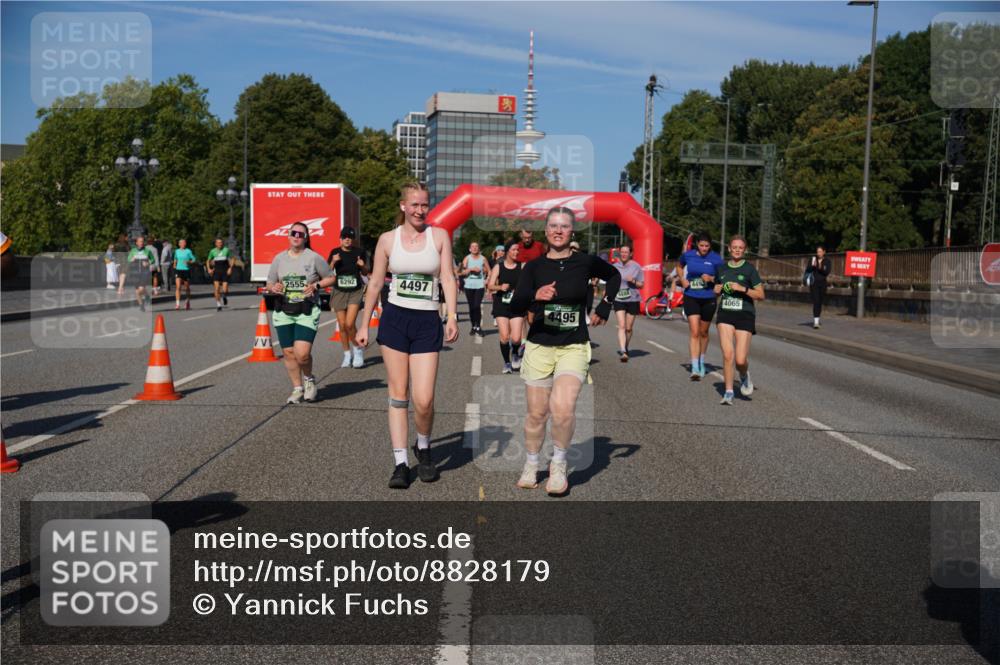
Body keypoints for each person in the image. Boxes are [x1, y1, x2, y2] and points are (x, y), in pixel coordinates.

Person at [508, 207, 621, 496]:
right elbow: (516, 305)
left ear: (572, 232)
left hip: (573, 345)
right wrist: (535, 295)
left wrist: (605, 305)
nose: (559, 231)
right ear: (546, 231)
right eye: (554, 226)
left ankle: (558, 465)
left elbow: (614, 275)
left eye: (565, 226)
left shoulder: (584, 262)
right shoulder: (533, 267)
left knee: (563, 409)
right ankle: (532, 464)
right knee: (536, 414)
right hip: (540, 346)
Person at [356, 182, 459, 490]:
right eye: (414, 204)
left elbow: (447, 278)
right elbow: (375, 284)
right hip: (395, 320)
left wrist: (451, 315)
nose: (420, 210)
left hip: (427, 321)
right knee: (399, 395)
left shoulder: (439, 236)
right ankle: (401, 462)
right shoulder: (387, 240)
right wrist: (364, 324)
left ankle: (423, 447)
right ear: (403, 206)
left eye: (425, 205)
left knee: (424, 399)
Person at [266, 221, 336, 404]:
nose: (297, 237)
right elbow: (269, 283)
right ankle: (297, 388)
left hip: (307, 310)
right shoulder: (279, 259)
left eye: (301, 234)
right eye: (293, 233)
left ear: (305, 238)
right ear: (288, 236)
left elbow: (331, 278)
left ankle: (309, 379)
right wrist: (275, 287)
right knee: (289, 352)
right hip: (284, 310)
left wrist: (316, 285)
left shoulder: (313, 258)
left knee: (302, 353)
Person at [714, 235, 765, 405]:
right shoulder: (721, 269)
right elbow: (715, 288)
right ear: (729, 249)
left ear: (745, 250)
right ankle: (729, 392)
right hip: (725, 314)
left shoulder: (750, 270)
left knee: (740, 359)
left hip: (745, 314)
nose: (737, 250)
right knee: (728, 354)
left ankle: (743, 375)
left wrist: (742, 288)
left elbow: (761, 295)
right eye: (734, 247)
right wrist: (718, 289)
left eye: (740, 247)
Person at [679, 233, 724, 380]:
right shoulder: (688, 255)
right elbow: (679, 267)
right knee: (694, 331)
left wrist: (711, 278)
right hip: (691, 296)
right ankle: (695, 367)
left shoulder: (716, 259)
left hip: (708, 298)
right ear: (697, 244)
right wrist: (682, 280)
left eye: (707, 246)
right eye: (701, 245)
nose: (704, 248)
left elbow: (723, 277)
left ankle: (702, 360)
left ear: (710, 246)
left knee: (704, 332)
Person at [328, 227, 369, 368]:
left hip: (355, 291)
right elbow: (327, 272)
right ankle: (347, 354)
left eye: (350, 237)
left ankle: (357, 349)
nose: (347, 239)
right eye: (345, 237)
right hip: (339, 291)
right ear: (340, 238)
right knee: (342, 325)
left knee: (349, 324)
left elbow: (365, 272)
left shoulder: (359, 252)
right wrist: (333, 262)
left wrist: (362, 266)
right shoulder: (335, 252)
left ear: (353, 239)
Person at [487, 241, 525, 373]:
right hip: (501, 304)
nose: (516, 252)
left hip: (517, 305)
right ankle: (507, 363)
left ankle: (515, 353)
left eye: (518, 250)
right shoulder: (499, 267)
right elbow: (490, 285)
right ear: (508, 251)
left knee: (516, 338)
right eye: (514, 250)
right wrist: (500, 287)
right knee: (504, 336)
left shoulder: (522, 266)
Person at [613, 245, 644, 361]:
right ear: (619, 253)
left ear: (630, 254)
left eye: (626, 252)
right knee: (621, 325)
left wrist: (634, 281)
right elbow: (611, 282)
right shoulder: (615, 267)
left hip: (633, 299)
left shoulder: (637, 267)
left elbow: (642, 285)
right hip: (618, 298)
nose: (624, 254)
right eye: (622, 252)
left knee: (629, 328)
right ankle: (623, 351)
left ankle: (625, 346)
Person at [460, 242, 490, 336]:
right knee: (471, 307)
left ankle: (478, 327)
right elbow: (461, 272)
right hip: (468, 285)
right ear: (470, 249)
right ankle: (473, 326)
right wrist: (471, 269)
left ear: (479, 248)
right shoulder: (467, 258)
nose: (475, 248)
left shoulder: (483, 258)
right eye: (472, 246)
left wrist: (487, 280)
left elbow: (490, 270)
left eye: (476, 246)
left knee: (477, 306)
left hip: (480, 285)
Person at [121, 236, 157, 311]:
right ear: (137, 243)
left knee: (141, 288)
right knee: (137, 291)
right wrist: (132, 259)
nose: (141, 243)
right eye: (140, 241)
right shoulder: (133, 251)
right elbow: (128, 260)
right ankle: (141, 304)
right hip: (135, 273)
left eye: (142, 241)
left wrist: (147, 263)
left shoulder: (147, 251)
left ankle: (146, 296)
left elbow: (153, 260)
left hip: (145, 272)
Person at [806, 245, 831, 329]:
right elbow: (808, 269)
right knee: (816, 301)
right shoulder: (813, 259)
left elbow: (826, 272)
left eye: (820, 251)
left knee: (820, 302)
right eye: (817, 252)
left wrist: (820, 268)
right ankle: (816, 322)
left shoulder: (827, 261)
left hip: (823, 283)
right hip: (814, 283)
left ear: (824, 252)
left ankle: (817, 318)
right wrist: (813, 265)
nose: (818, 253)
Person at [206, 238, 233, 311]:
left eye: (221, 242)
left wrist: (230, 268)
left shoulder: (226, 250)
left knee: (225, 289)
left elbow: (231, 259)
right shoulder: (212, 251)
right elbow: (208, 260)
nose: (219, 244)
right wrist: (209, 269)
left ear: (222, 243)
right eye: (218, 243)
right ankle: (218, 304)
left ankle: (224, 296)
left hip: (225, 271)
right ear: (215, 244)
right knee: (217, 288)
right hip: (216, 271)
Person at [172, 239, 196, 310]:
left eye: (184, 243)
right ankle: (177, 304)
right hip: (178, 270)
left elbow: (194, 259)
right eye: (181, 243)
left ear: (185, 244)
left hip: (186, 270)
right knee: (178, 287)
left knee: (186, 287)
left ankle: (187, 301)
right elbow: (175, 258)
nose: (183, 244)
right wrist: (174, 264)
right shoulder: (176, 251)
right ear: (179, 244)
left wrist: (189, 262)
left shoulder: (188, 251)